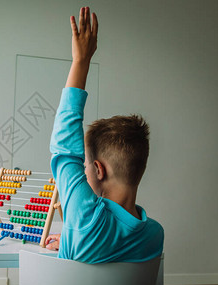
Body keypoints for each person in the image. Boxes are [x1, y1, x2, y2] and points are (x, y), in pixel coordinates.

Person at [47, 7, 163, 262]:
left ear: (99, 169)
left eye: (86, 165)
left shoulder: (84, 219)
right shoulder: (155, 235)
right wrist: (69, 237)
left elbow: (65, 149)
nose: (84, 168)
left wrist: (81, 61)